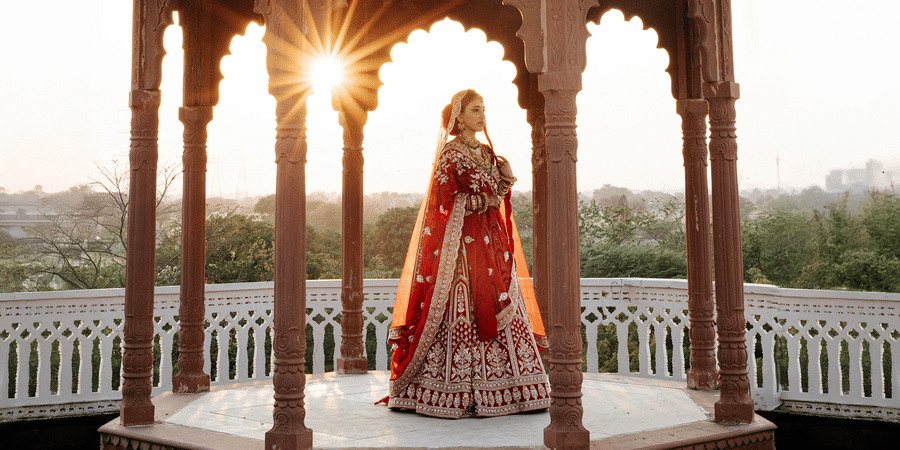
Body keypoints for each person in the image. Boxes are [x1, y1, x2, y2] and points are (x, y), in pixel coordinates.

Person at [383, 89, 550, 419]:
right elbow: (441, 202)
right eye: (476, 109)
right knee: (463, 306)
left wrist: (506, 179)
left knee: (504, 300)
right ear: (459, 116)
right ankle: (449, 390)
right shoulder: (450, 155)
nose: (482, 114)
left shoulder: (488, 152)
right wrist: (481, 202)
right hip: (461, 250)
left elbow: (496, 197)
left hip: (491, 245)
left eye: (484, 109)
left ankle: (514, 389)